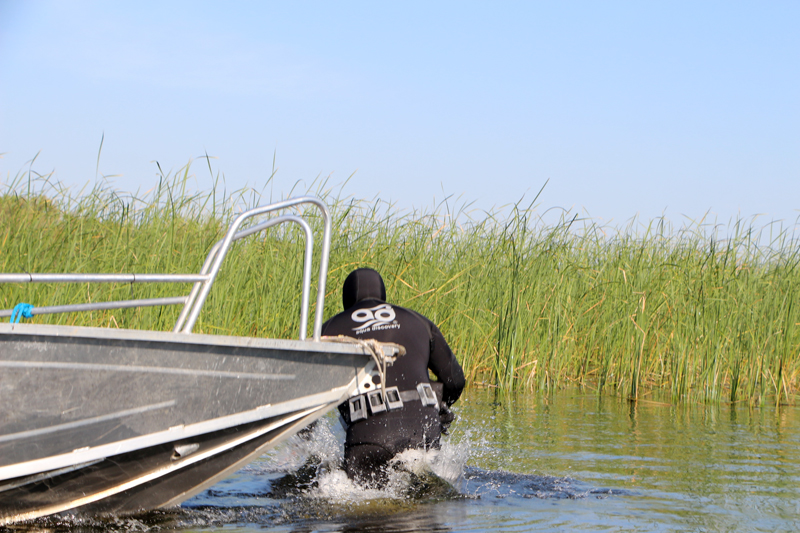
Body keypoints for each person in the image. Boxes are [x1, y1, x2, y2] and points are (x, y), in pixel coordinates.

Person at [321, 268, 465, 486]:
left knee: (358, 502)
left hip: (369, 436)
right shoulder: (419, 321)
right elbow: (455, 381)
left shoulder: (328, 330)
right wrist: (442, 407)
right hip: (423, 429)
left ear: (346, 300)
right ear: (383, 295)